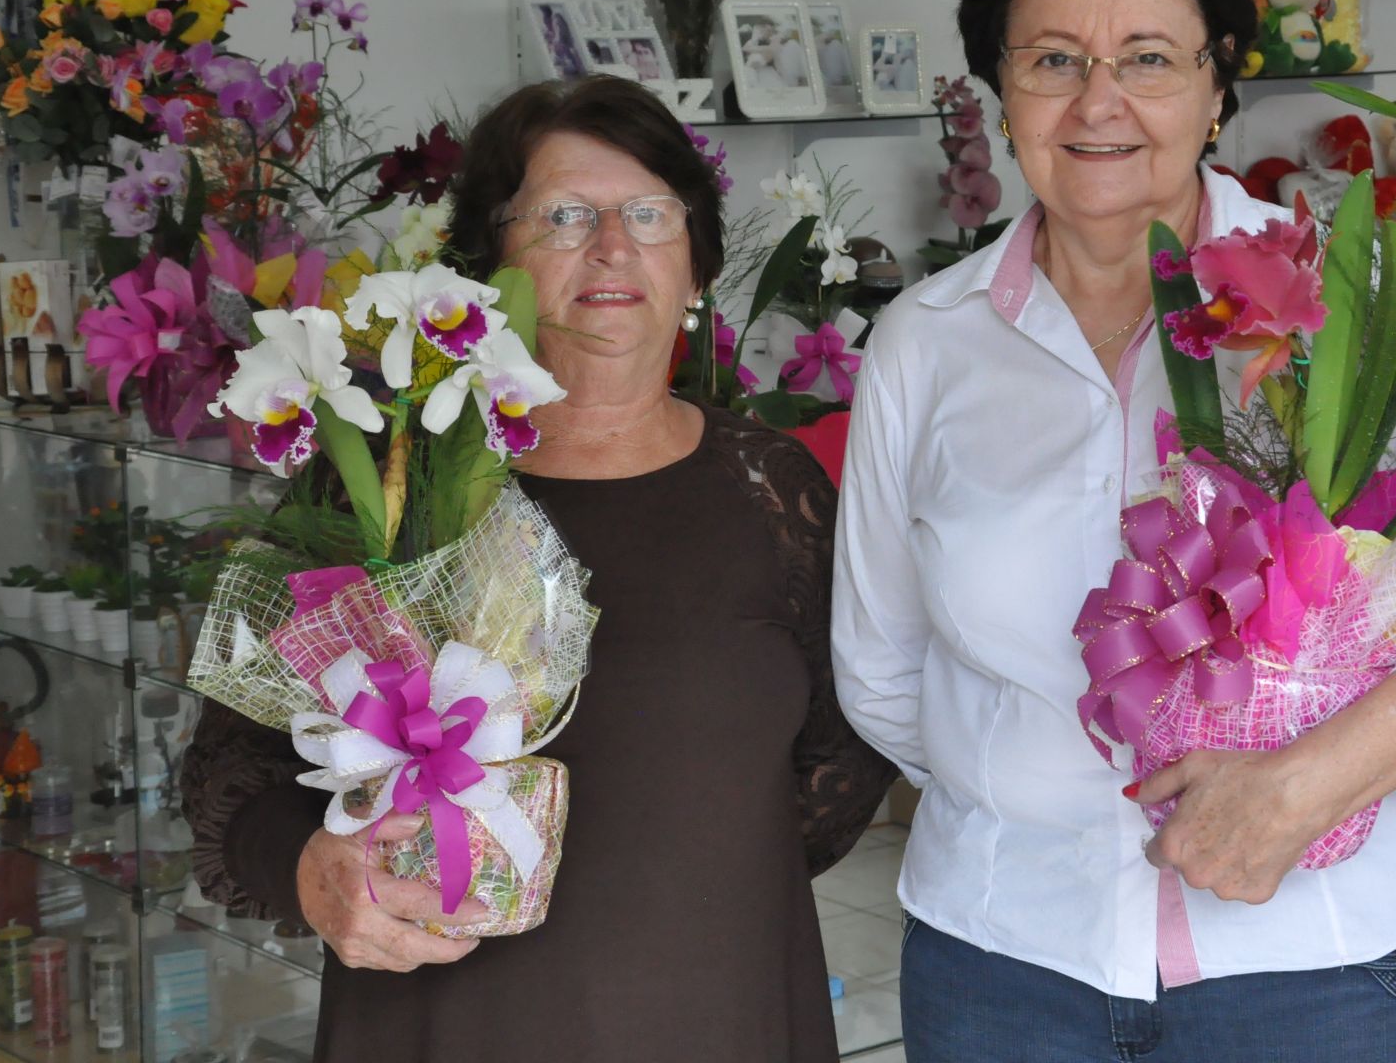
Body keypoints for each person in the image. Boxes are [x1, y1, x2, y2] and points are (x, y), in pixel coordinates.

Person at [832, 0, 1396, 1061]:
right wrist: (1035, 799)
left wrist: (1306, 782)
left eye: (1148, 58)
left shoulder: (1340, 304)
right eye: (1051, 59)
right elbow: (882, 668)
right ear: (1001, 91)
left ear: (1216, 89)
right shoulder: (923, 346)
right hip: (1005, 968)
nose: (1099, 102)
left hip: (1309, 970)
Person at [182, 75, 895, 1061]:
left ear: (696, 265)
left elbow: (841, 762)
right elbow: (228, 768)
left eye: (649, 212)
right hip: (441, 1023)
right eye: (562, 214)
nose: (612, 244)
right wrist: (316, 871)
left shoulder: (775, 493)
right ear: (490, 265)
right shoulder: (384, 486)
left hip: (715, 1011)